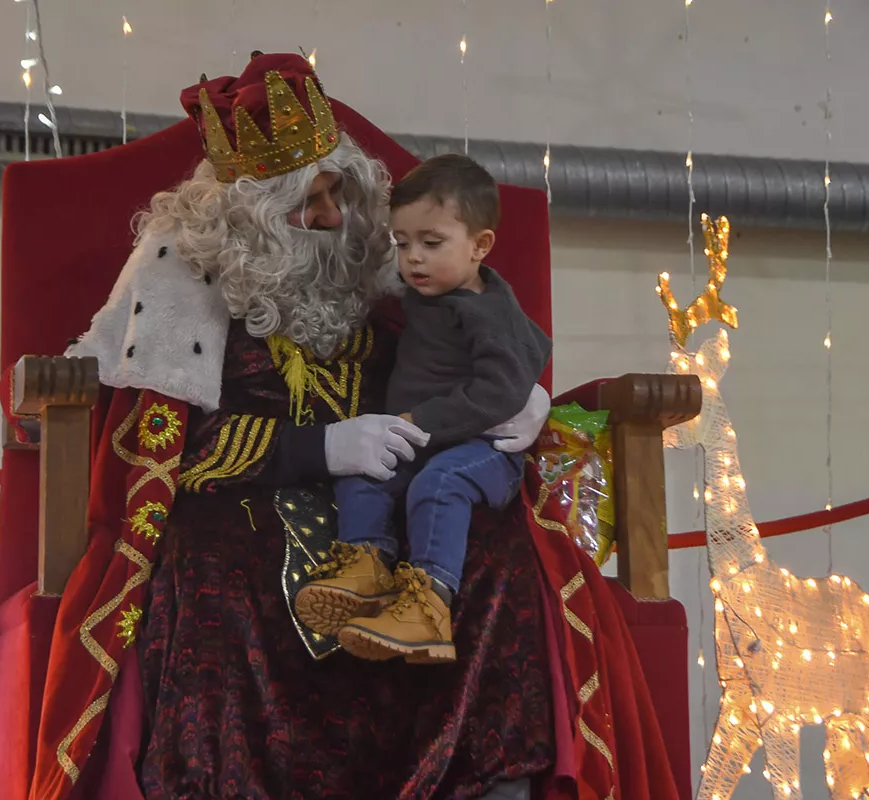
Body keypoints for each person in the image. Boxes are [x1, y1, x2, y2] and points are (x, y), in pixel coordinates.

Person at [29, 53, 558, 800]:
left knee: (492, 552)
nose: (334, 220)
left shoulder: (388, 256)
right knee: (219, 579)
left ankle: (483, 785)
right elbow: (166, 450)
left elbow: (476, 336)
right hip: (247, 498)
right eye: (307, 206)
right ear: (248, 217)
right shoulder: (189, 275)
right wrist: (322, 447)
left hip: (401, 466)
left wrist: (519, 395)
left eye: (337, 194)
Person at [295, 154, 552, 665]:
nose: (413, 258)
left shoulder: (491, 312)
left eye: (431, 244)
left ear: (480, 246)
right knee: (364, 468)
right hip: (426, 440)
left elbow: (502, 392)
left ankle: (430, 607)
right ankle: (367, 563)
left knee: (440, 484)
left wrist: (422, 422)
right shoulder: (424, 295)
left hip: (485, 451)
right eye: (402, 243)